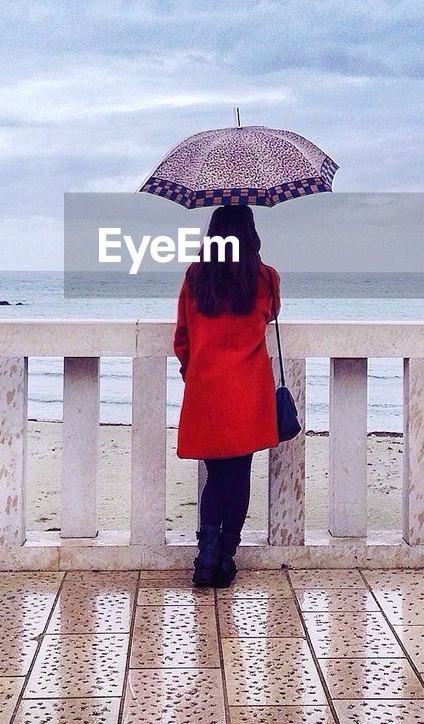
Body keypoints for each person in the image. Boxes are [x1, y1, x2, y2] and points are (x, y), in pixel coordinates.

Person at [173, 203, 280, 587]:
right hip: (247, 391)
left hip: (206, 388)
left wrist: (195, 373)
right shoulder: (265, 277)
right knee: (239, 475)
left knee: (216, 475)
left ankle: (206, 557)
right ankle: (223, 559)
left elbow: (182, 337)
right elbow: (270, 314)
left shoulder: (196, 276)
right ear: (250, 235)